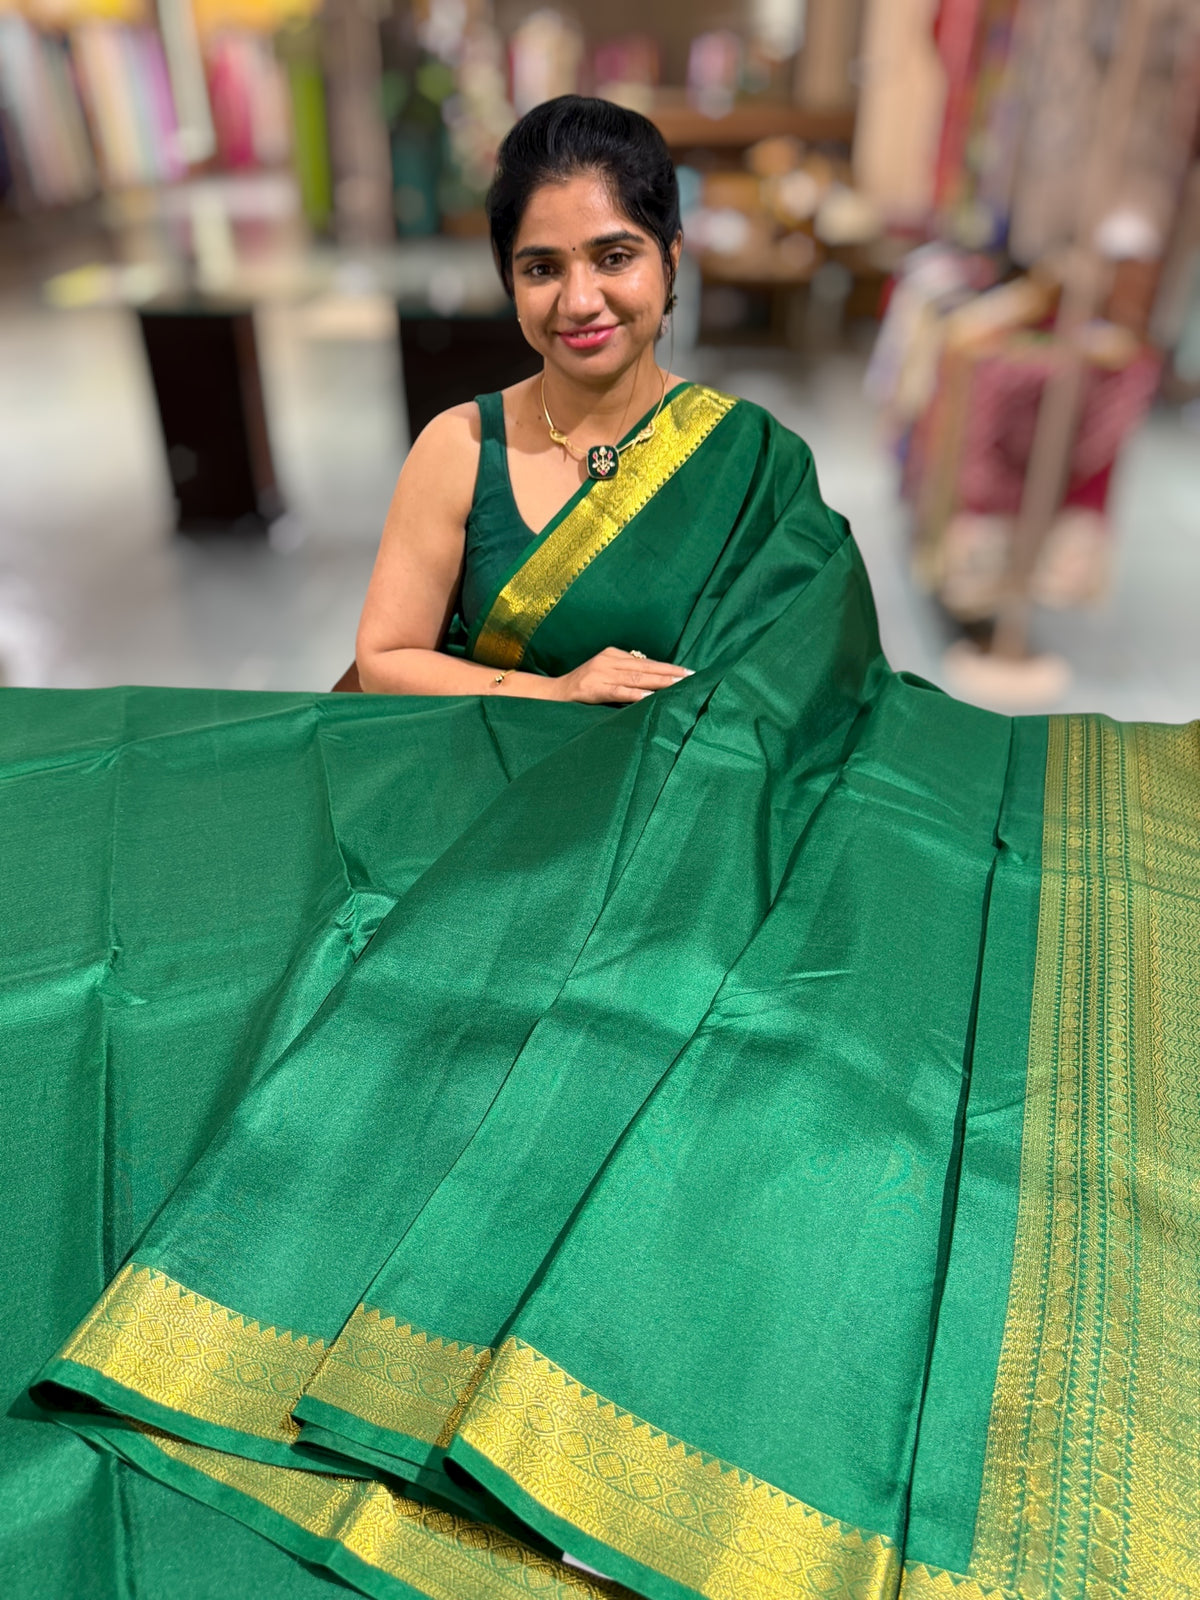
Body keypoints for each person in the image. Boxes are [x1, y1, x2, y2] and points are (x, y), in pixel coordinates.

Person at [8, 97, 1199, 1600]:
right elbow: (382, 662)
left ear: (674, 259)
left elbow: (802, 694)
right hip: (473, 816)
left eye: (615, 256)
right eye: (541, 265)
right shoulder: (459, 446)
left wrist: (686, 779)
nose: (581, 299)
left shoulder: (751, 465)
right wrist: (551, 692)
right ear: (507, 278)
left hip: (679, 853)